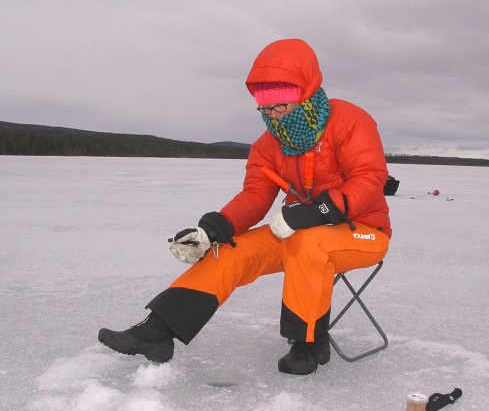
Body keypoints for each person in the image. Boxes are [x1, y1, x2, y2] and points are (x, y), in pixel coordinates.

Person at [98, 38, 392, 375]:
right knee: (231, 250)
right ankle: (157, 331)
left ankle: (310, 344)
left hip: (364, 231)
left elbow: (370, 179)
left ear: (303, 95)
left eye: (278, 107)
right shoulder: (268, 146)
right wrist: (213, 229)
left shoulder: (351, 121)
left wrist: (313, 213)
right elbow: (255, 196)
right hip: (296, 230)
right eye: (264, 109)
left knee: (309, 240)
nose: (271, 116)